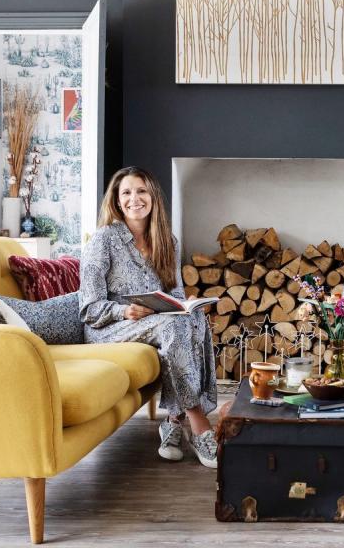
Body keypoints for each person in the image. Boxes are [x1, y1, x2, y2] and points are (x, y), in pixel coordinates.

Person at [79, 166, 218, 468]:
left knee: (193, 319)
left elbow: (175, 295)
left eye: (141, 191)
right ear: (116, 201)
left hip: (158, 324)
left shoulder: (168, 241)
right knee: (173, 325)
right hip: (111, 328)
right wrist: (123, 310)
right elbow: (88, 308)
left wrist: (188, 304)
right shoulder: (104, 240)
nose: (134, 199)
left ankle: (172, 419)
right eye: (126, 192)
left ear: (153, 196)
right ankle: (198, 421)